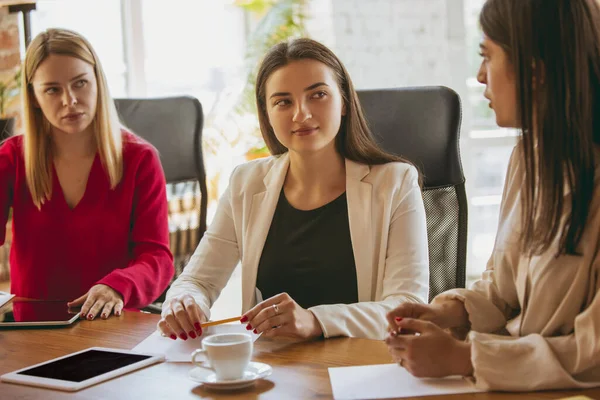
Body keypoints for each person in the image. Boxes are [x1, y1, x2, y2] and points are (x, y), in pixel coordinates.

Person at [385, 0, 600, 391]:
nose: (481, 75)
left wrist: (464, 357)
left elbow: (594, 355)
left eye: (487, 57)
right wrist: (448, 312)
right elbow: (505, 289)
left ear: (534, 71)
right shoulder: (530, 158)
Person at [158, 38, 429, 342]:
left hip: (359, 368)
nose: (301, 114)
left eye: (318, 95)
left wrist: (314, 320)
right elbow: (197, 280)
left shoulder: (395, 183)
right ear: (267, 113)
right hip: (275, 368)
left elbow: (407, 307)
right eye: (283, 102)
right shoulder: (246, 182)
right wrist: (184, 301)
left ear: (344, 103)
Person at [0, 28, 174, 320]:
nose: (70, 100)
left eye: (80, 83)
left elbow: (157, 257)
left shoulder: (139, 159)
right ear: (33, 97)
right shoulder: (11, 158)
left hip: (113, 326)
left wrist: (118, 287)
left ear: (98, 82)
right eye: (52, 89)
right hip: (33, 330)